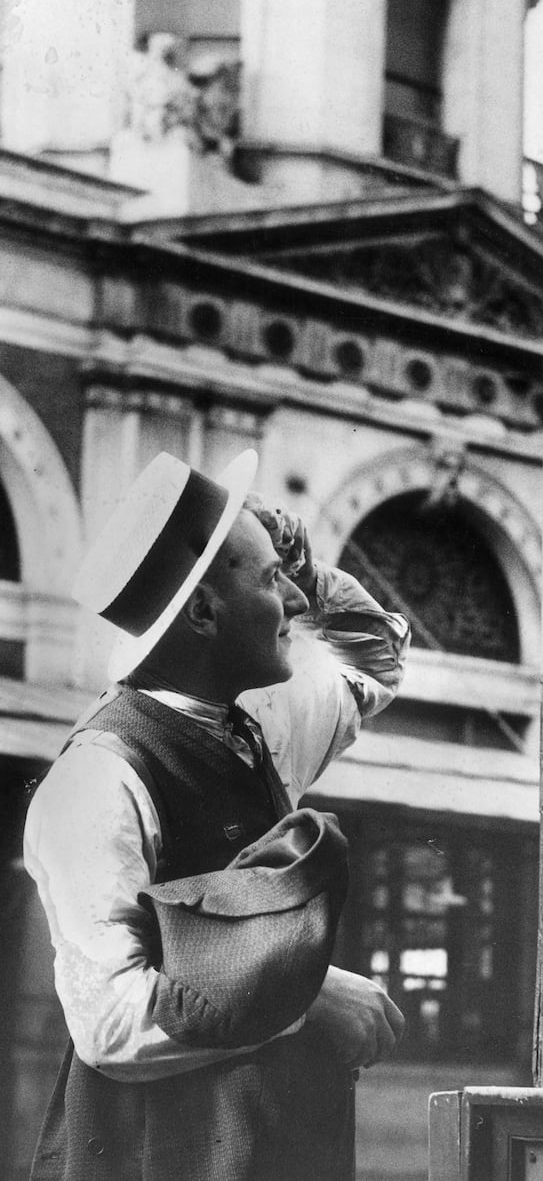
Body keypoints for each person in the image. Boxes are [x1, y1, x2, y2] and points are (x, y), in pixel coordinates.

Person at [23, 448, 409, 1180]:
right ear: (203, 611)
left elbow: (374, 658)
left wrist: (298, 561)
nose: (295, 604)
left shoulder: (251, 725)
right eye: (272, 583)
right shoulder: (96, 781)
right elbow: (109, 1020)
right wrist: (304, 998)